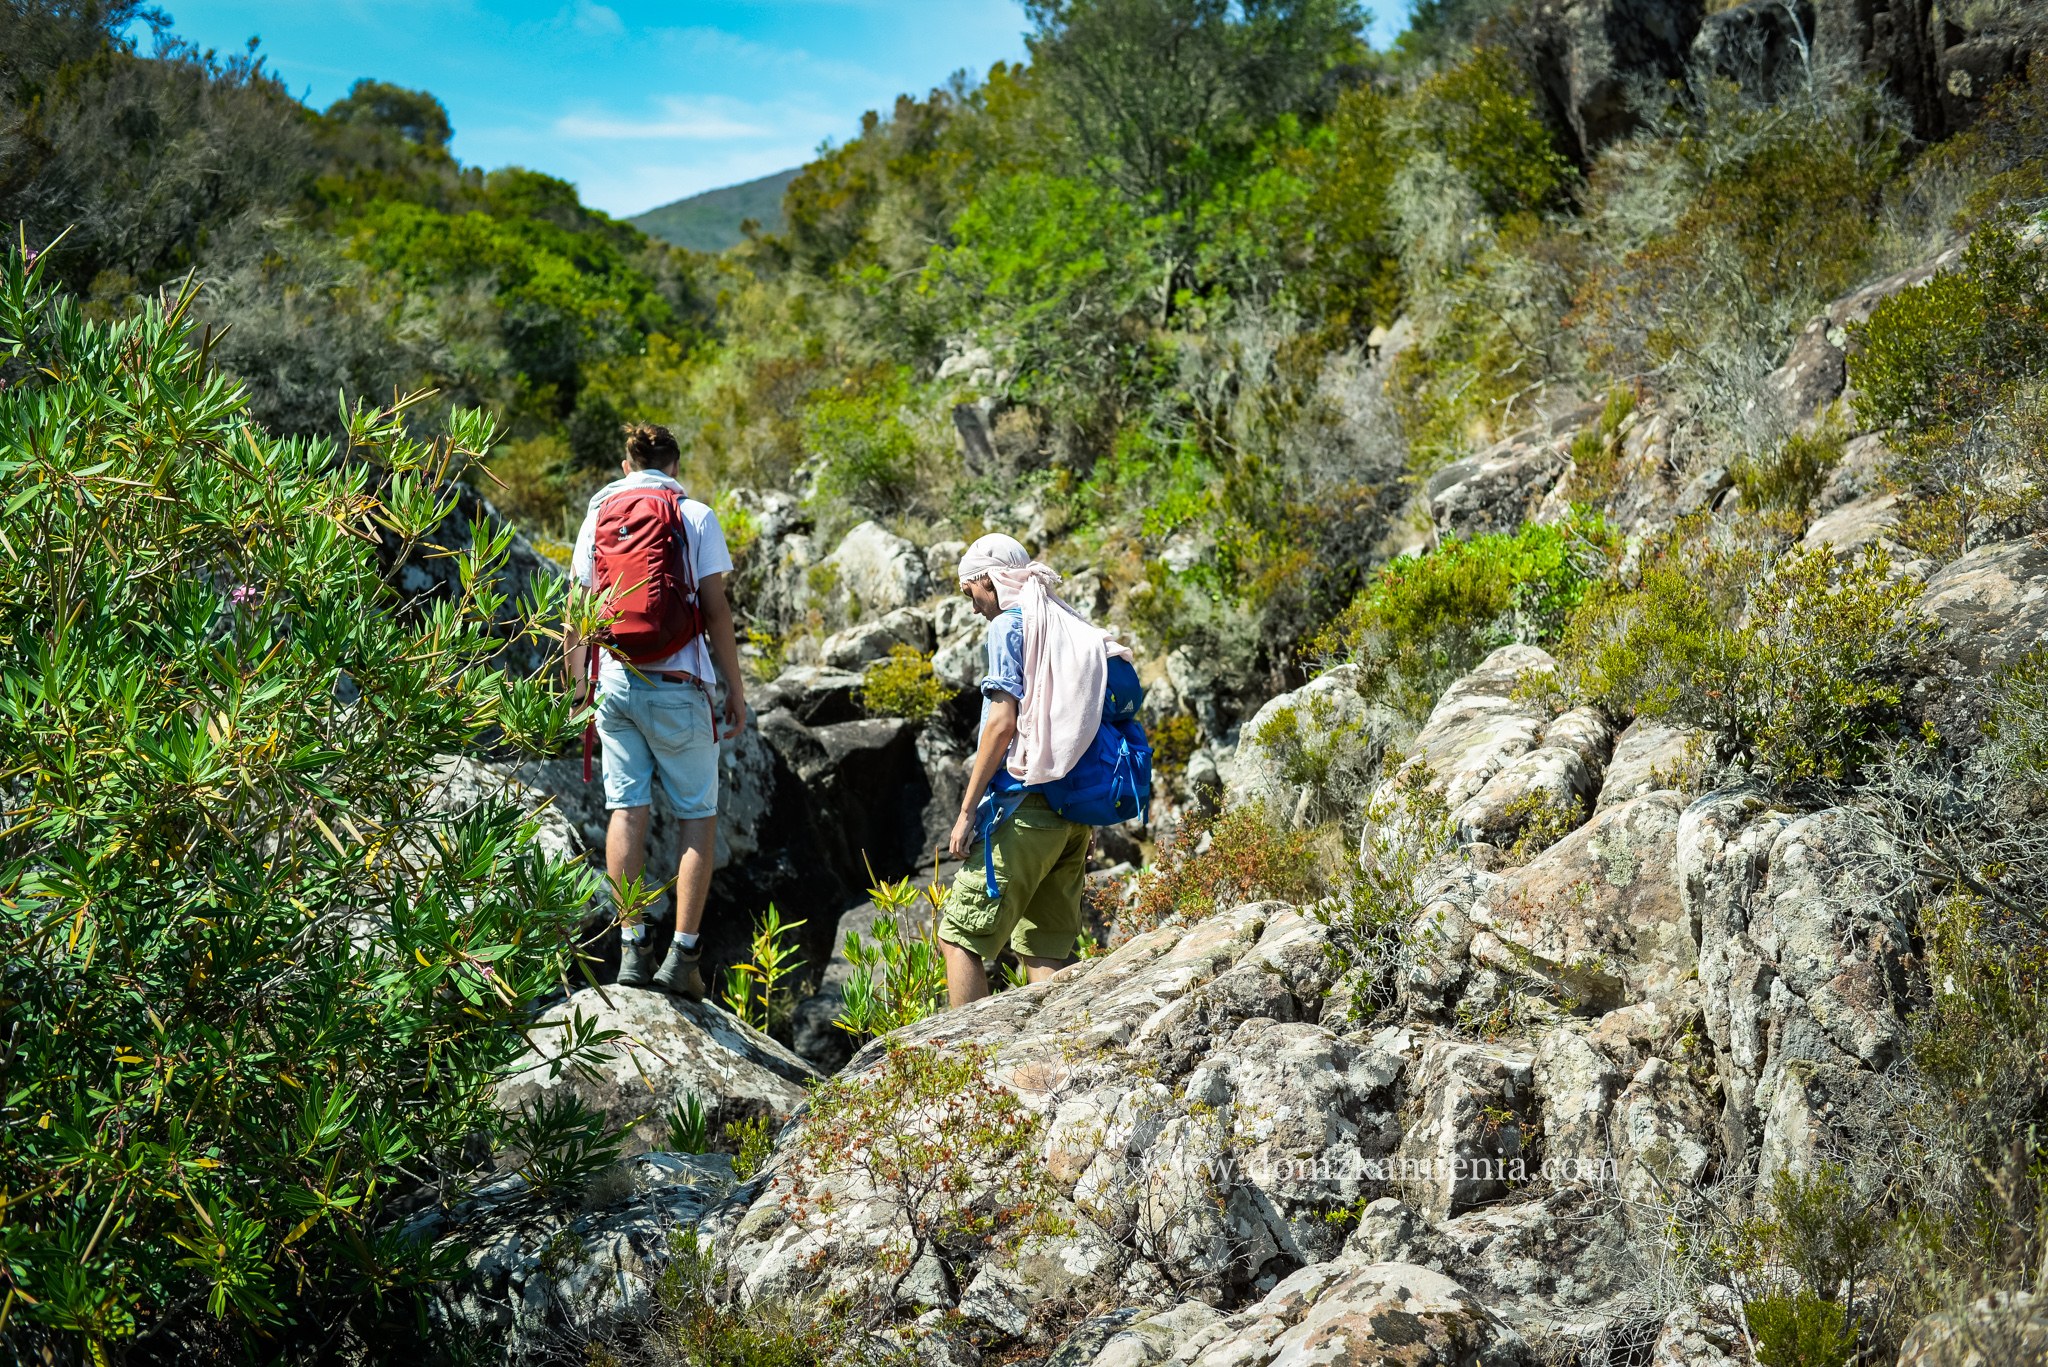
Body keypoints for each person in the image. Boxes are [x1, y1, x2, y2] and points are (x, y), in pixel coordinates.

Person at [565, 423, 746, 998]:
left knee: (626, 810)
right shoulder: (694, 516)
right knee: (697, 815)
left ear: (627, 464)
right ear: (673, 464)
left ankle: (630, 946)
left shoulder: (599, 515)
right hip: (678, 685)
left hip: (614, 682)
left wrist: (579, 688)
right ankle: (683, 957)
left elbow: (576, 611)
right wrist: (733, 690)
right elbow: (716, 613)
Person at [937, 534, 1125, 1007]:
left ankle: (968, 1066)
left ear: (988, 580)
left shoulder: (1009, 627)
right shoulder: (1066, 623)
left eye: (970, 593)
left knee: (958, 937)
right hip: (1073, 816)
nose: (974, 607)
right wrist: (1085, 814)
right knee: (1044, 949)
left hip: (1024, 811)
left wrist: (965, 812)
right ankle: (1051, 1066)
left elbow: (1001, 726)